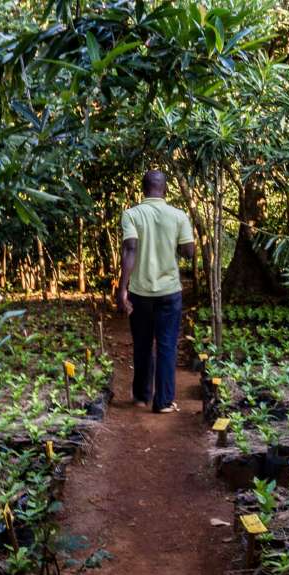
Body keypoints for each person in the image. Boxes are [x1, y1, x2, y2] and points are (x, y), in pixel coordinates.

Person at [117, 170, 195, 413]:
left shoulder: (131, 214)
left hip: (140, 293)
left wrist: (122, 290)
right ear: (166, 189)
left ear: (143, 189)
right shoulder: (179, 216)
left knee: (142, 344)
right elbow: (189, 252)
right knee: (167, 345)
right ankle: (163, 402)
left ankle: (141, 396)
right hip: (169, 291)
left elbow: (130, 251)